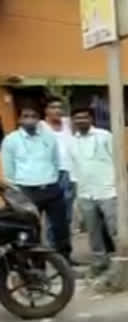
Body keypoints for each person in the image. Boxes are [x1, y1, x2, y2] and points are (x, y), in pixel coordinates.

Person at [1, 104, 72, 260]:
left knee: (61, 227)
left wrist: (53, 180)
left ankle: (65, 260)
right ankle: (36, 266)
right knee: (32, 229)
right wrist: (18, 190)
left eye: (33, 116)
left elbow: (55, 161)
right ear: (19, 119)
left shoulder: (48, 137)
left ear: (39, 119)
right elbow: (9, 169)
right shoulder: (11, 140)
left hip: (51, 188)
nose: (30, 120)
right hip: (27, 191)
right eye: (26, 116)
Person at [68, 106, 117, 272]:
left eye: (84, 117)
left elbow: (117, 159)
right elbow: (73, 167)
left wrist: (118, 184)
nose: (81, 121)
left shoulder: (104, 136)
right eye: (77, 118)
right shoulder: (72, 141)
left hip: (108, 190)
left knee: (114, 228)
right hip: (85, 192)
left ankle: (119, 258)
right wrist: (77, 192)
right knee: (93, 230)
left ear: (91, 119)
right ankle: (100, 261)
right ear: (73, 121)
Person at [42, 96, 77, 247]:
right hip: (50, 175)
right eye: (53, 107)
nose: (57, 111)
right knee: (52, 216)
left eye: (59, 107)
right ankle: (52, 250)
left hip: (69, 173)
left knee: (67, 215)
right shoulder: (40, 126)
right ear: (46, 110)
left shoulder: (68, 124)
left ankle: (64, 251)